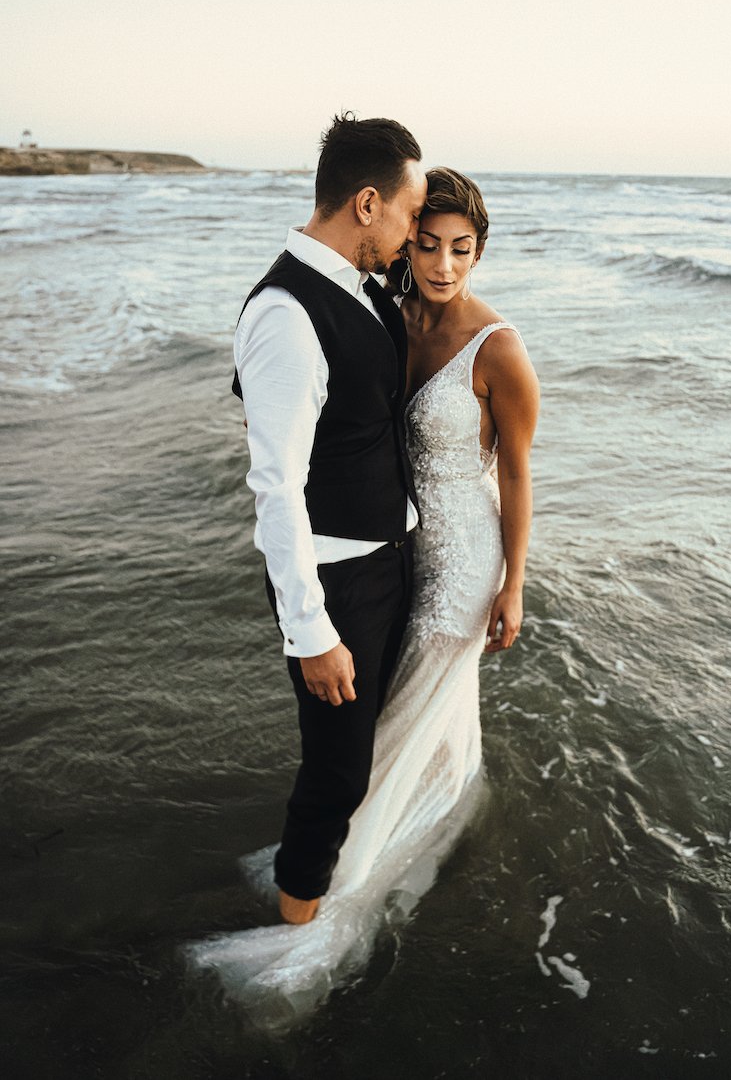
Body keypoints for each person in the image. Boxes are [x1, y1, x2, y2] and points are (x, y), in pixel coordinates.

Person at [189, 167, 539, 1028]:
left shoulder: (497, 347)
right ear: (397, 232)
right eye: (426, 242)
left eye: (461, 249)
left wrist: (513, 583)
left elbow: (521, 477)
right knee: (382, 719)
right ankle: (369, 835)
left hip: (462, 559)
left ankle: (362, 861)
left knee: (408, 710)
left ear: (481, 251)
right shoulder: (386, 314)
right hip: (397, 550)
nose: (442, 264)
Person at [230, 113, 426, 926]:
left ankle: (311, 883)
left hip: (385, 560)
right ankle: (293, 931)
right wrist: (310, 631)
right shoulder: (286, 314)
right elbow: (275, 486)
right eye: (412, 216)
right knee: (336, 773)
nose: (414, 236)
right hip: (337, 580)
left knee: (364, 748)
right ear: (370, 202)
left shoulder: (357, 282)